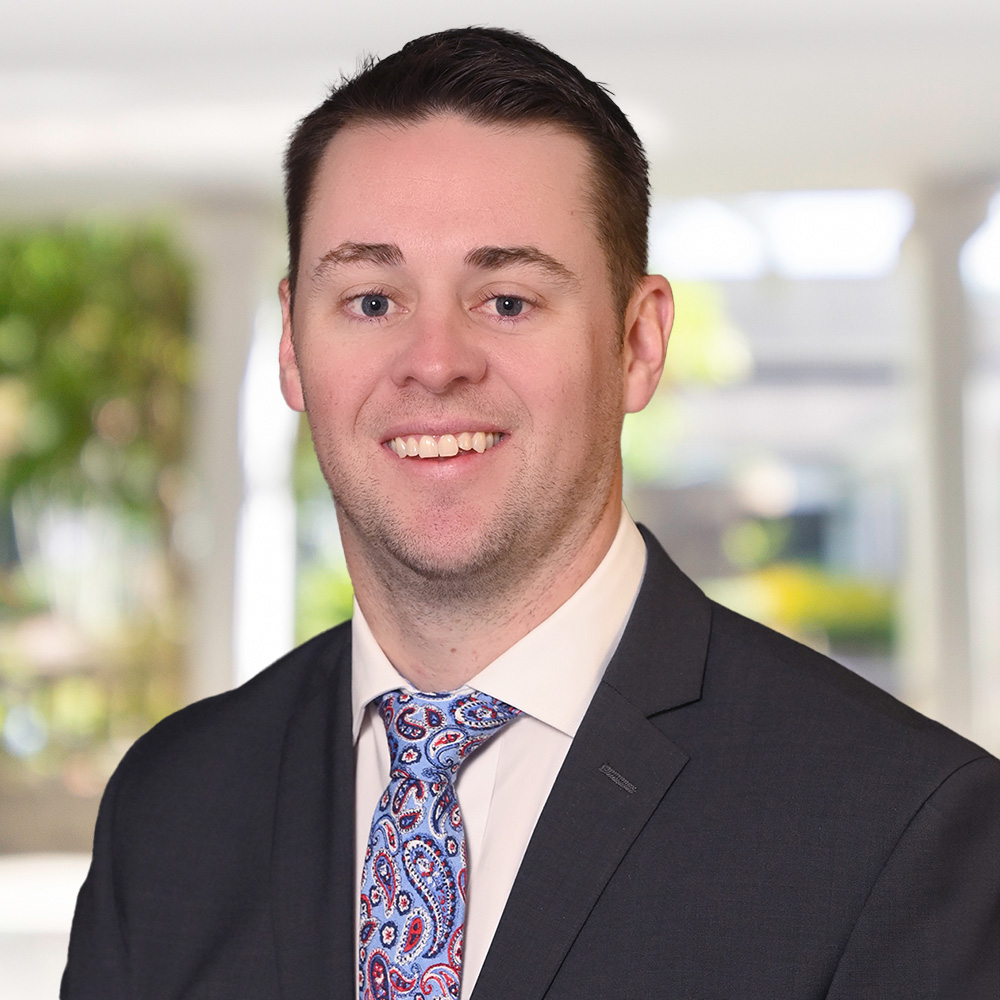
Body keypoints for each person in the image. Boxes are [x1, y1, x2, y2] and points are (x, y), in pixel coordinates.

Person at [63, 27, 998, 1000]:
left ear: (637, 345)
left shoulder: (896, 828)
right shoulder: (172, 805)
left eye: (506, 300)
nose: (434, 360)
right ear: (294, 346)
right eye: (372, 300)